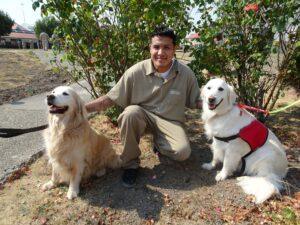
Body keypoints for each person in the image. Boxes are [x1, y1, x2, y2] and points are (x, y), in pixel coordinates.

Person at [85, 25, 201, 187]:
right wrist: (80, 109)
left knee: (182, 153)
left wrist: (221, 101)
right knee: (129, 113)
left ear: (174, 49)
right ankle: (131, 164)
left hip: (170, 122)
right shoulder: (136, 71)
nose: (161, 53)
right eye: (156, 47)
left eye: (166, 47)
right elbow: (109, 99)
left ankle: (159, 144)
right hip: (142, 117)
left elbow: (196, 101)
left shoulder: (186, 73)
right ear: (150, 48)